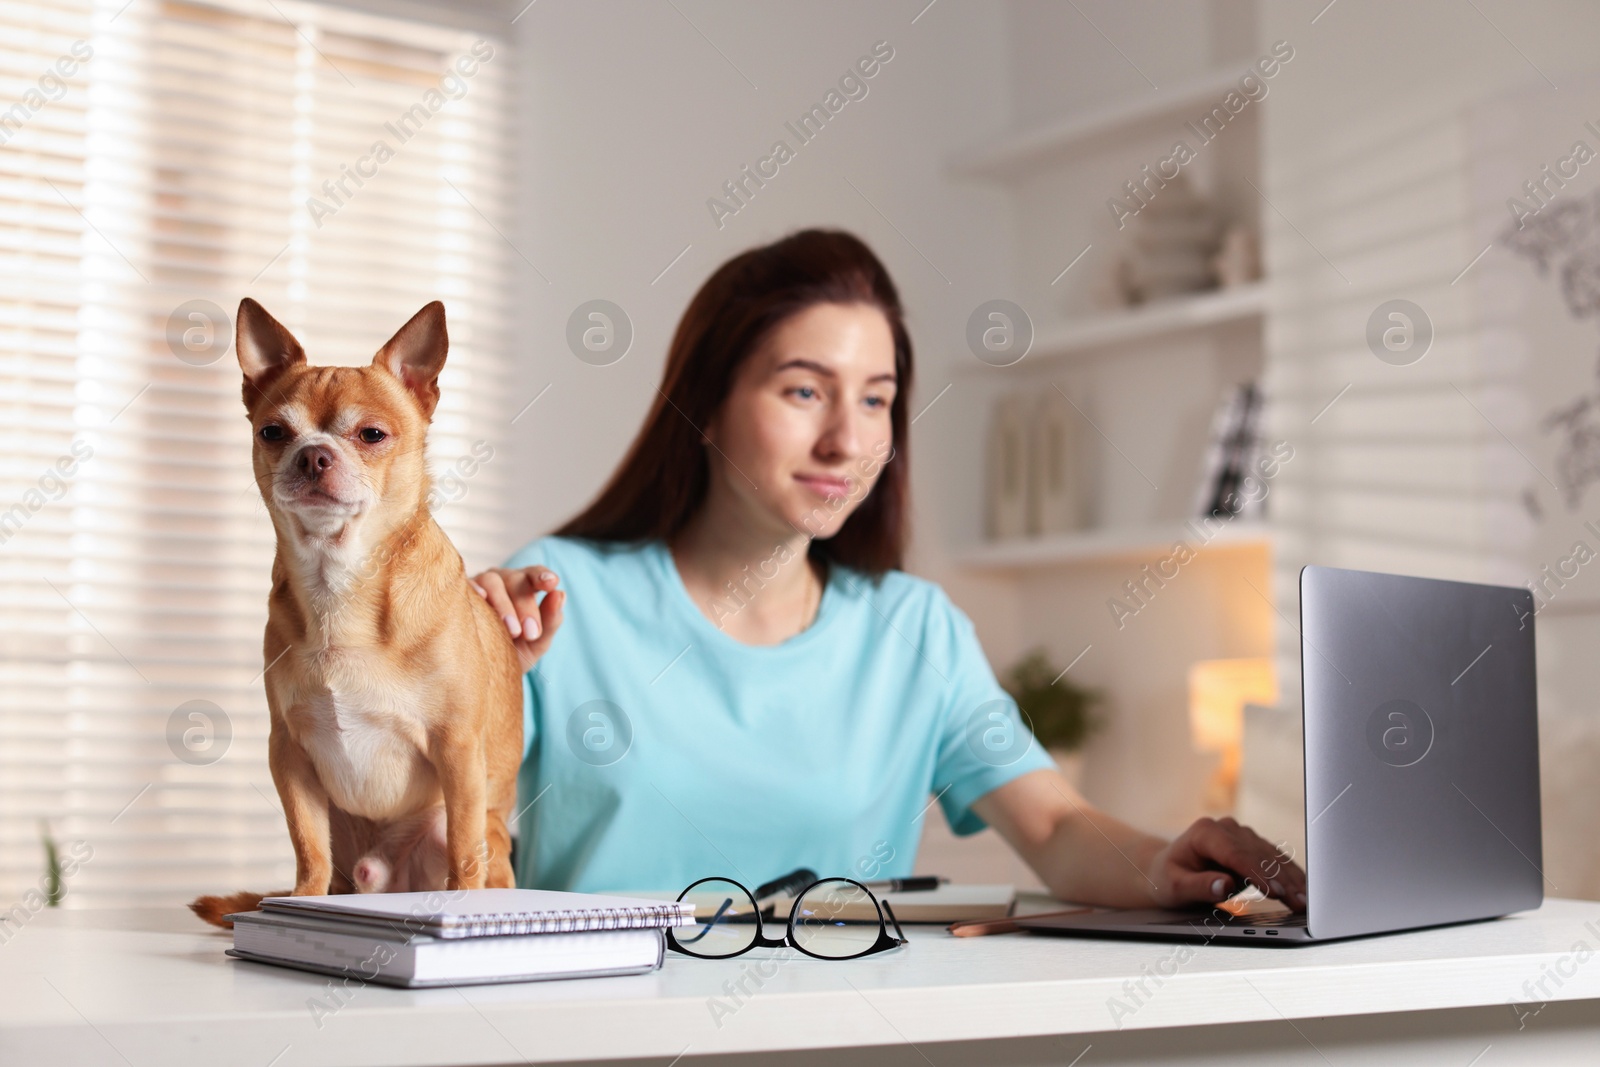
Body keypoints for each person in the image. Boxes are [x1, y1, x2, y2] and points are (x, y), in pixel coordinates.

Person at [471, 228, 1307, 910]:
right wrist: (438, 660)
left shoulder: (916, 630)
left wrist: (1168, 860)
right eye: (804, 391)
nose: (846, 439)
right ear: (705, 403)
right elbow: (436, 837)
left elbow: (1054, 826)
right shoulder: (551, 597)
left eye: (875, 398)